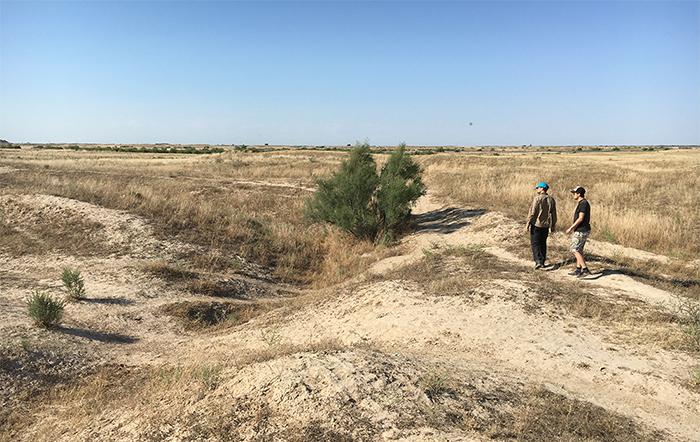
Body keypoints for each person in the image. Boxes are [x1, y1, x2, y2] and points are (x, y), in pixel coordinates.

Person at [526, 181, 557, 269]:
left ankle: (538, 261)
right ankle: (542, 261)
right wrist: (553, 224)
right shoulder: (551, 199)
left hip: (536, 224)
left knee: (535, 243)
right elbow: (554, 213)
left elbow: (533, 212)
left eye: (538, 188)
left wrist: (528, 223)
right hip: (546, 225)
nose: (537, 189)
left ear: (542, 188)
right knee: (543, 243)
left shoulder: (537, 198)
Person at [565, 186, 591, 277]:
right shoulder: (583, 203)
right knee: (579, 249)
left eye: (574, 193)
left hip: (581, 230)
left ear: (579, 194)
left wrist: (571, 228)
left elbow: (580, 218)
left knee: (574, 249)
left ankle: (585, 269)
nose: (573, 195)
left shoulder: (583, 203)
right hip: (583, 229)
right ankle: (578, 269)